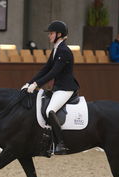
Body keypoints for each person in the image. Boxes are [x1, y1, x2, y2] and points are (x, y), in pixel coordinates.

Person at [21, 20, 79, 155]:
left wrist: (36, 85)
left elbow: (54, 72)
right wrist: (30, 83)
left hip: (66, 88)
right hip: (59, 87)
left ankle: (60, 144)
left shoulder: (64, 50)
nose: (49, 36)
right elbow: (46, 69)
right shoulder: (56, 49)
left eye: (51, 33)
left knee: (49, 110)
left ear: (59, 34)